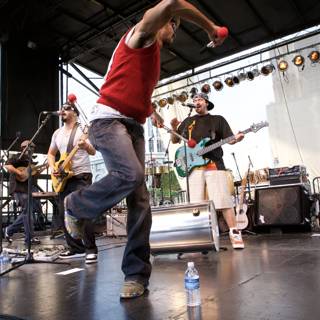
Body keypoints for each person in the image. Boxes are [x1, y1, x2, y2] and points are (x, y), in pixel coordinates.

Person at [63, 0, 226, 298]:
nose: (174, 29)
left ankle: (136, 275)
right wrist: (211, 28)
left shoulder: (152, 57)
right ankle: (76, 206)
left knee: (140, 201)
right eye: (172, 24)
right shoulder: (143, 34)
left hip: (132, 125)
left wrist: (152, 111)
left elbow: (133, 90)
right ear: (161, 22)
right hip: (108, 122)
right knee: (131, 175)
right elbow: (172, 3)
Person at [170, 92, 245, 249]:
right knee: (196, 204)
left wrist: (236, 139)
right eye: (195, 100)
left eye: (200, 99)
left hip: (214, 164)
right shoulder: (189, 121)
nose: (196, 102)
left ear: (207, 103)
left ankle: (235, 234)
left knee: (223, 200)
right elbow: (176, 140)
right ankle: (198, 236)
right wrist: (173, 127)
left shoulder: (217, 120)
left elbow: (230, 139)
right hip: (193, 167)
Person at [47, 102, 98, 264]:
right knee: (64, 213)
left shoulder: (83, 130)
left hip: (81, 174)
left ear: (75, 113)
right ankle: (76, 248)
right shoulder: (57, 133)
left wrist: (86, 145)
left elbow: (93, 151)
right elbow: (50, 153)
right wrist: (53, 166)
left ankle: (91, 249)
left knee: (84, 211)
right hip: (63, 177)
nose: (62, 111)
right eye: (61, 108)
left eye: (66, 108)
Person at [4, 140, 42, 245]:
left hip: (28, 189)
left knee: (28, 212)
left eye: (33, 147)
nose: (32, 149)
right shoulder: (17, 157)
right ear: (23, 147)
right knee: (27, 212)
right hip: (19, 189)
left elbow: (31, 176)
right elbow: (7, 166)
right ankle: (29, 238)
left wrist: (38, 171)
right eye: (29, 147)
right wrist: (19, 172)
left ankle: (9, 230)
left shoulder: (31, 162)